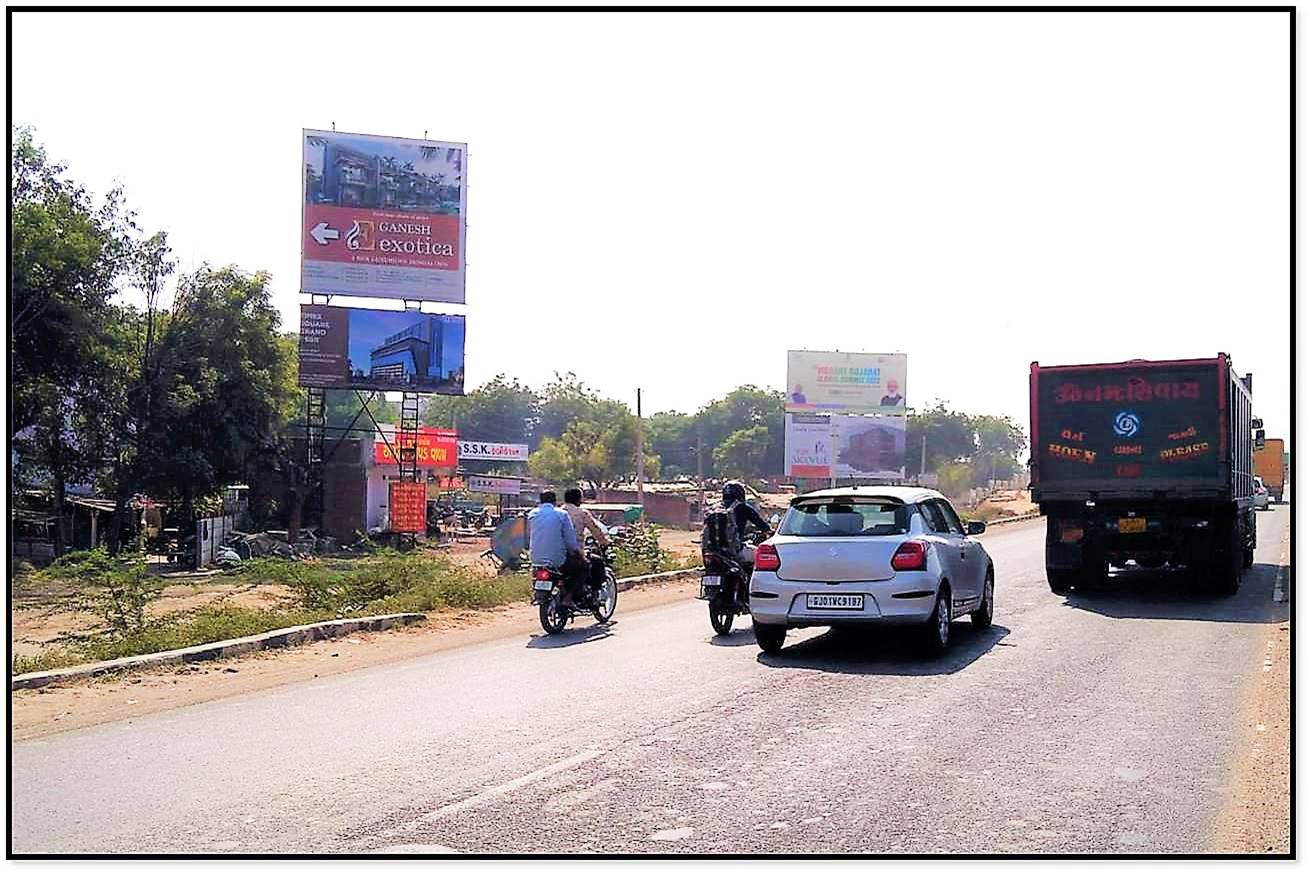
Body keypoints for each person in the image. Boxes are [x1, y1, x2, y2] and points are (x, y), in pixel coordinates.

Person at [720, 480, 773, 607]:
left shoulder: (716, 508)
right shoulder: (743, 508)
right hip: (734, 549)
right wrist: (769, 531)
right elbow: (762, 524)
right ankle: (750, 592)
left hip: (715, 549)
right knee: (758, 558)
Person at [528, 491, 587, 602]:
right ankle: (569, 597)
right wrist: (578, 554)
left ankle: (536, 591)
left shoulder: (532, 514)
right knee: (583, 567)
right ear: (555, 501)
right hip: (557, 560)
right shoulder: (562, 514)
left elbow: (529, 536)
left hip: (535, 558)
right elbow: (570, 542)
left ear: (540, 501)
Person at [563, 488, 610, 591]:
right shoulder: (582, 513)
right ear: (578, 499)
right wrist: (604, 543)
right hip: (575, 551)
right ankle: (590, 593)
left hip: (558, 552)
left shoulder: (558, 512)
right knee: (594, 563)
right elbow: (595, 529)